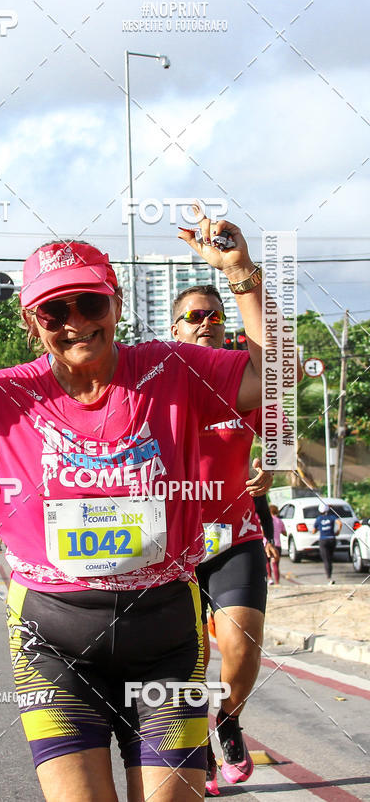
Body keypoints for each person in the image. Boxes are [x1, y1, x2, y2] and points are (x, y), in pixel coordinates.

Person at [0, 215, 266, 802]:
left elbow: (273, 379)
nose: (75, 323)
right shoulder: (1, 394)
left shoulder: (173, 367)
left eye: (89, 303)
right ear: (33, 325)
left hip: (164, 638)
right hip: (53, 641)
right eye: (54, 313)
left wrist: (240, 274)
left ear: (114, 304)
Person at [171, 285, 290, 793]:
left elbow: (283, 440)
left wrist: (271, 471)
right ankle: (199, 752)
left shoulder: (245, 384)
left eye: (215, 314)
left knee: (242, 648)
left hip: (234, 536)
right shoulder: (160, 382)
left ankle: (228, 720)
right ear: (174, 329)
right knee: (185, 662)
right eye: (194, 315)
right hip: (171, 545)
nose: (207, 321)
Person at [313, 501, 341, 584]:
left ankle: (329, 577)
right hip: (332, 539)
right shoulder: (332, 517)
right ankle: (330, 575)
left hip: (323, 540)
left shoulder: (319, 519)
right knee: (330, 558)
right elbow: (340, 523)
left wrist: (319, 528)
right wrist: (338, 532)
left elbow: (314, 531)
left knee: (326, 559)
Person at [266, 505, 286, 584]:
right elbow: (284, 533)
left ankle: (270, 578)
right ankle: (277, 581)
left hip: (266, 543)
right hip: (277, 544)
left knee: (267, 563)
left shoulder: (266, 520)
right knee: (275, 564)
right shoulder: (279, 521)